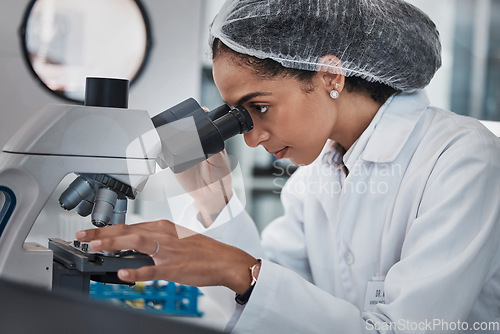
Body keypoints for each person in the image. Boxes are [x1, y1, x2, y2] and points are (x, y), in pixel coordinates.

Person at [76, 0, 500, 332]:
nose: (250, 135)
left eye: (258, 107)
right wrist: (213, 203)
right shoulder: (317, 176)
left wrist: (237, 269)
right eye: (238, 114)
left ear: (330, 76)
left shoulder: (461, 158)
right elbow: (269, 301)